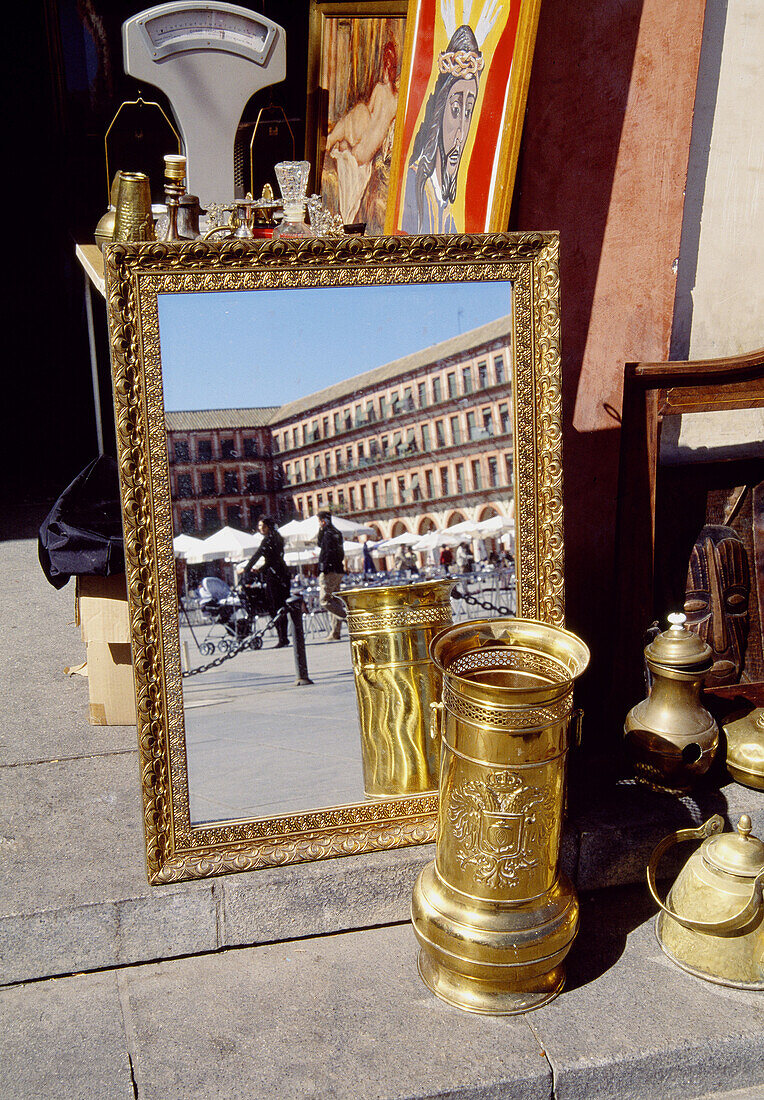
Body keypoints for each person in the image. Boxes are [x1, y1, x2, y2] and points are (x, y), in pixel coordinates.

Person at [401, 23, 484, 234]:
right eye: (455, 110)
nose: (460, 133)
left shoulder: (446, 210)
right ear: (438, 112)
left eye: (468, 112)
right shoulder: (413, 187)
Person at [324, 40, 399, 226]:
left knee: (358, 110)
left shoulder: (380, 90)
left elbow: (370, 116)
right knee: (358, 113)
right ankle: (337, 140)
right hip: (365, 150)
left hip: (361, 149)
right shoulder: (397, 100)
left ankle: (332, 139)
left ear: (386, 67)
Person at [241, 516, 291, 647]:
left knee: (274, 607)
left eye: (263, 526)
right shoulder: (277, 538)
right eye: (259, 527)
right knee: (280, 607)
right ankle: (283, 637)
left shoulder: (268, 540)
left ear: (268, 527)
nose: (260, 529)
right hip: (282, 574)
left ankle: (282, 637)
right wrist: (260, 569)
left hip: (275, 577)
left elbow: (257, 555)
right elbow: (272, 560)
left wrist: (246, 569)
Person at [317, 511, 347, 640]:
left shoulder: (328, 534)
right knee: (334, 600)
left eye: (319, 521)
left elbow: (325, 550)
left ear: (323, 520)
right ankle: (335, 632)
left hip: (329, 571)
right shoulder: (336, 532)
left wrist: (325, 568)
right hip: (338, 569)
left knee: (325, 600)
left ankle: (348, 618)